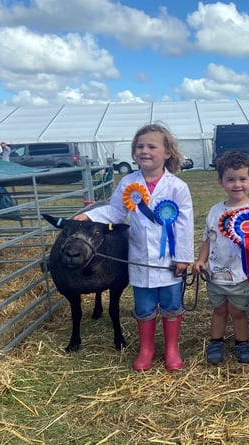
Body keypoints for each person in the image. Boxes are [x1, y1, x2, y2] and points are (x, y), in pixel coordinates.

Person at [75, 123, 194, 372]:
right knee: (144, 305)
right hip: (140, 257)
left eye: (152, 146)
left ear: (167, 152)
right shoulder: (128, 182)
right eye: (140, 146)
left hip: (171, 259)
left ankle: (172, 349)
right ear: (133, 152)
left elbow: (184, 223)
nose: (145, 151)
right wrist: (90, 216)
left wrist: (183, 257)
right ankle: (146, 349)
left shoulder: (177, 187)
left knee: (171, 303)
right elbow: (116, 212)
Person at [192, 151, 249, 364]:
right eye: (230, 179)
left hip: (241, 275)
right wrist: (200, 260)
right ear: (221, 181)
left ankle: (242, 343)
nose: (237, 185)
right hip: (215, 274)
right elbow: (208, 240)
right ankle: (216, 342)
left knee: (238, 311)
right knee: (219, 310)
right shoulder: (215, 211)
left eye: (242, 179)